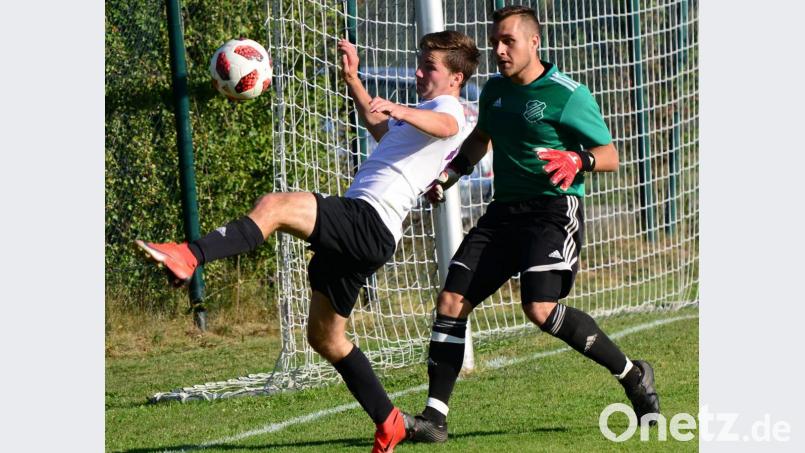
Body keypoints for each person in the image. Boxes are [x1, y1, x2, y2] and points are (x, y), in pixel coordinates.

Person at [136, 31, 480, 453]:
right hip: (370, 232)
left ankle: (190, 255)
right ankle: (390, 421)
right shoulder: (424, 112)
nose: (418, 71)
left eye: (429, 67)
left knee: (275, 207)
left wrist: (402, 109)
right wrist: (354, 80)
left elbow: (447, 125)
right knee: (326, 338)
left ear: (456, 78)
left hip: (368, 220)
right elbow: (382, 129)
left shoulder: (448, 109)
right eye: (420, 62)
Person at [406, 6, 660, 443]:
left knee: (539, 309)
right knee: (451, 301)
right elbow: (480, 139)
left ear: (533, 43)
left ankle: (633, 376)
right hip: (504, 213)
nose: (499, 50)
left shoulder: (567, 94)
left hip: (553, 210)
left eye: (509, 42)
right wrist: (448, 177)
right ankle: (435, 419)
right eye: (495, 42)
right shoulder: (494, 93)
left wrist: (578, 158)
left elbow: (611, 155)